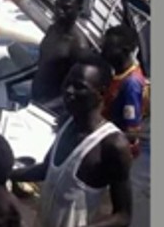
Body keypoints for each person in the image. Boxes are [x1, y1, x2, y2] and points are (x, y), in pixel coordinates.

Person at [11, 61, 134, 227]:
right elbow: (46, 169)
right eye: (67, 83)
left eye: (79, 86)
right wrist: (9, 173)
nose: (69, 91)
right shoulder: (67, 122)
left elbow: (123, 216)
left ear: (101, 92)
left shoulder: (112, 145)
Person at [100, 25, 150, 227]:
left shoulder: (130, 84)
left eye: (108, 47)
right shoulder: (122, 73)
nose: (103, 51)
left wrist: (99, 132)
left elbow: (131, 131)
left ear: (124, 50)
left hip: (118, 153)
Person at [29, 0, 95, 114]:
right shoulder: (53, 29)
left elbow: (80, 90)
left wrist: (47, 107)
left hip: (52, 111)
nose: (59, 11)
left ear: (79, 10)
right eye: (57, 6)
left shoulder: (78, 45)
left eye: (66, 8)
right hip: (35, 100)